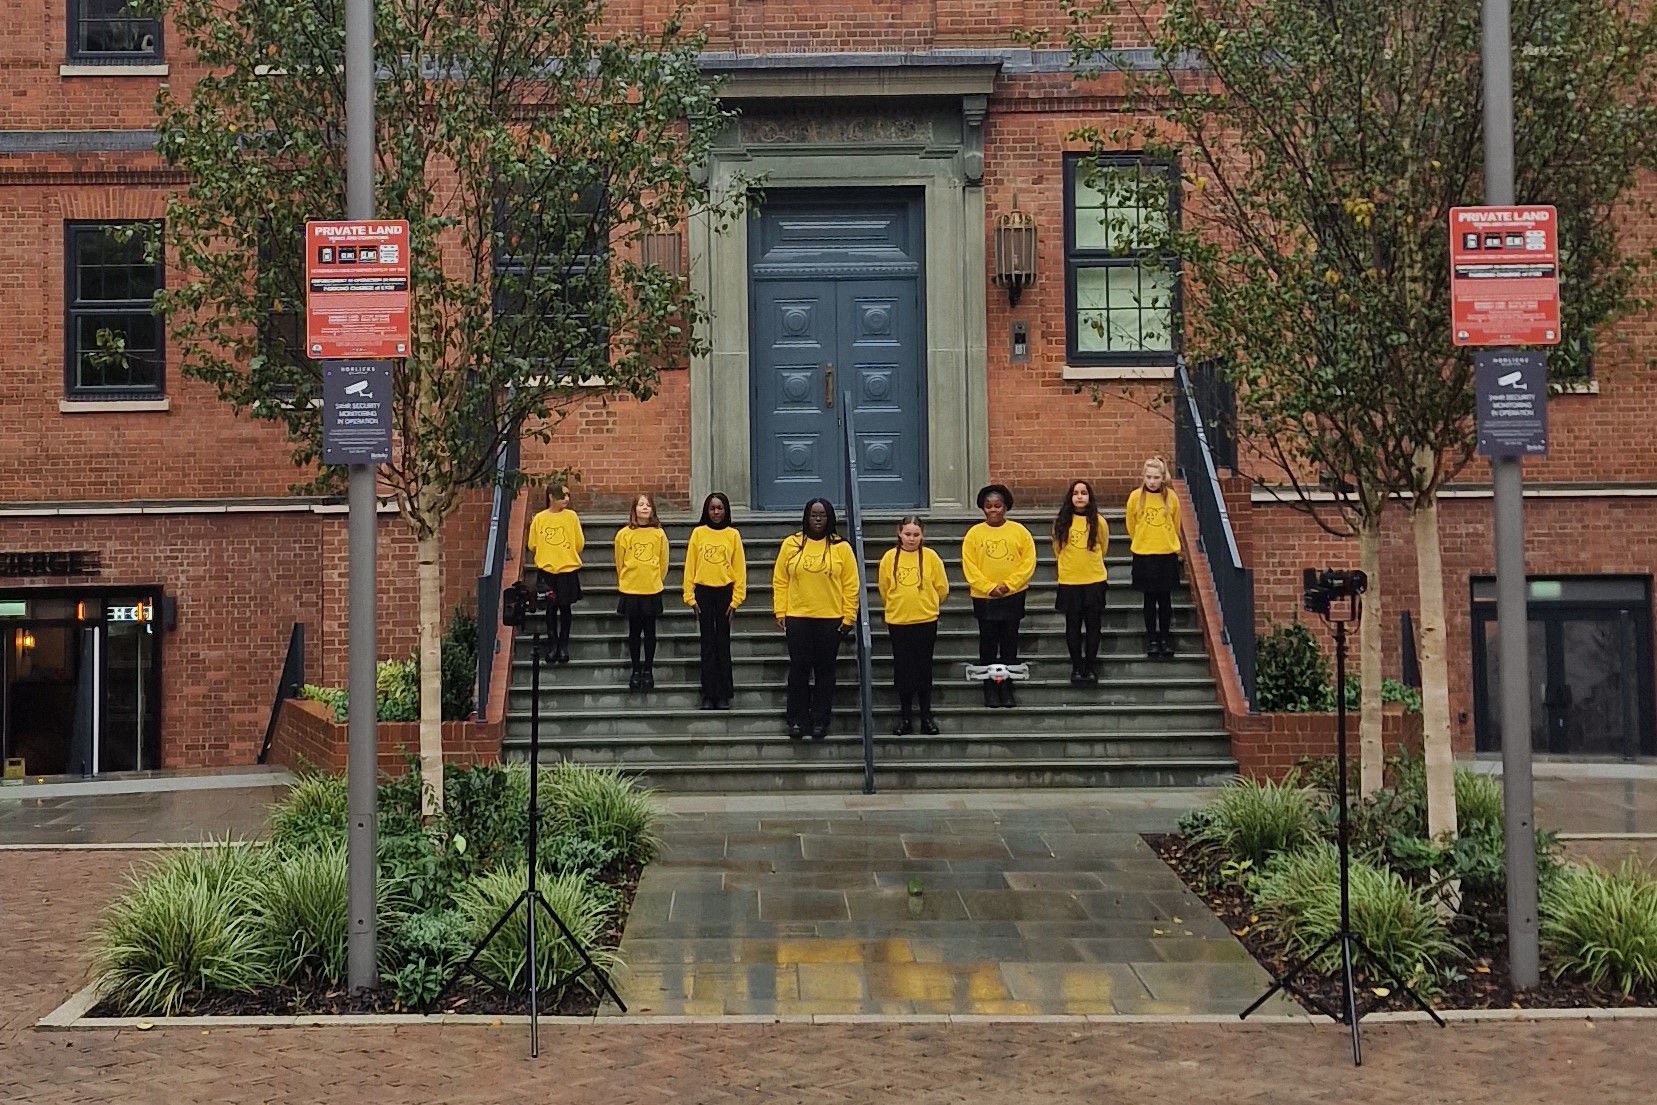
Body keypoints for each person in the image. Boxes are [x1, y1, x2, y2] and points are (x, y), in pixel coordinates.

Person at [772, 498, 859, 740]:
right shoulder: (791, 544)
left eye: (822, 515)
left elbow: (851, 585)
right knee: (799, 671)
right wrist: (780, 610)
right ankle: (796, 720)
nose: (818, 519)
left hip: (830, 619)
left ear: (830, 518)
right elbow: (781, 580)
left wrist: (849, 616)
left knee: (825, 672)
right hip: (798, 618)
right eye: (813, 515)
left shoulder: (842, 548)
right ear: (806, 517)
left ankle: (821, 720)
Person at [961, 484, 1037, 708]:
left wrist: (1009, 585)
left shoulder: (1019, 532)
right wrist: (988, 587)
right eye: (988, 506)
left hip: (1013, 596)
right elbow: (970, 566)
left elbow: (1028, 562)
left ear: (1005, 507)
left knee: (1009, 643)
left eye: (997, 506)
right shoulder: (974, 534)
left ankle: (1007, 688)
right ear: (982, 509)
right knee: (988, 644)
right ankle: (989, 689)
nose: (993, 510)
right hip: (985, 598)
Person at [878, 516, 949, 735]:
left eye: (916, 535)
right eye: (907, 534)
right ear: (899, 533)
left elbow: (942, 587)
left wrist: (928, 603)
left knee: (923, 669)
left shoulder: (931, 557)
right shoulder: (889, 558)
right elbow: (884, 588)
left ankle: (926, 716)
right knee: (903, 670)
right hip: (899, 622)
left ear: (923, 535)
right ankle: (905, 717)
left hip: (925, 620)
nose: (911, 539)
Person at [683, 492, 746, 711]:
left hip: (725, 593)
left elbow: (740, 569)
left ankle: (723, 694)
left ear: (726, 510)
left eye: (720, 508)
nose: (716, 512)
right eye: (712, 508)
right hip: (703, 593)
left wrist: (736, 600)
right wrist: (689, 597)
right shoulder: (698, 534)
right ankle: (708, 694)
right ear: (706, 511)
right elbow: (690, 566)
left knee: (723, 645)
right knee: (707, 645)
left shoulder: (733, 535)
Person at [1052, 479, 1109, 686]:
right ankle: (1076, 667)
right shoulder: (1062, 522)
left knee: (1093, 626)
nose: (1079, 496)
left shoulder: (1099, 522)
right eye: (1076, 492)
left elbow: (1104, 545)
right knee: (1073, 626)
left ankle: (1090, 667)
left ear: (1089, 497)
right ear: (1070, 497)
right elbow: (1057, 548)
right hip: (1070, 581)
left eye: (1084, 492)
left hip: (1094, 580)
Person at [1126, 456, 1183, 659]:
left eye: (1156, 477)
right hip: (1144, 554)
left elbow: (1176, 524)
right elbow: (1131, 525)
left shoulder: (1171, 498)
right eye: (1149, 477)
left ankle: (1165, 639)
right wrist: (1142, 540)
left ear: (1163, 478)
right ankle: (1151, 639)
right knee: (1149, 600)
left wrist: (1167, 541)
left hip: (1166, 554)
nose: (1152, 481)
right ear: (1144, 477)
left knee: (1165, 600)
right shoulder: (1135, 498)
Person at [614, 493, 669, 691]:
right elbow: (620, 562)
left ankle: (648, 669)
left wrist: (655, 579)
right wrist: (627, 580)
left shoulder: (659, 534)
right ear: (634, 509)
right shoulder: (624, 534)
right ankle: (635, 669)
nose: (644, 508)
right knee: (634, 632)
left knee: (650, 631)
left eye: (648, 505)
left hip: (651, 589)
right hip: (631, 589)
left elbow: (664, 563)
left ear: (653, 509)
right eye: (640, 504)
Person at [525, 482, 584, 663]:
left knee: (565, 608)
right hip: (547, 570)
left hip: (567, 569)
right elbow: (532, 544)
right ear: (551, 496)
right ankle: (552, 644)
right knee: (550, 609)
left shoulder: (571, 517)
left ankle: (563, 645)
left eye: (568, 495)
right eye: (562, 495)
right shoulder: (540, 519)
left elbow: (579, 542)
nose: (566, 499)